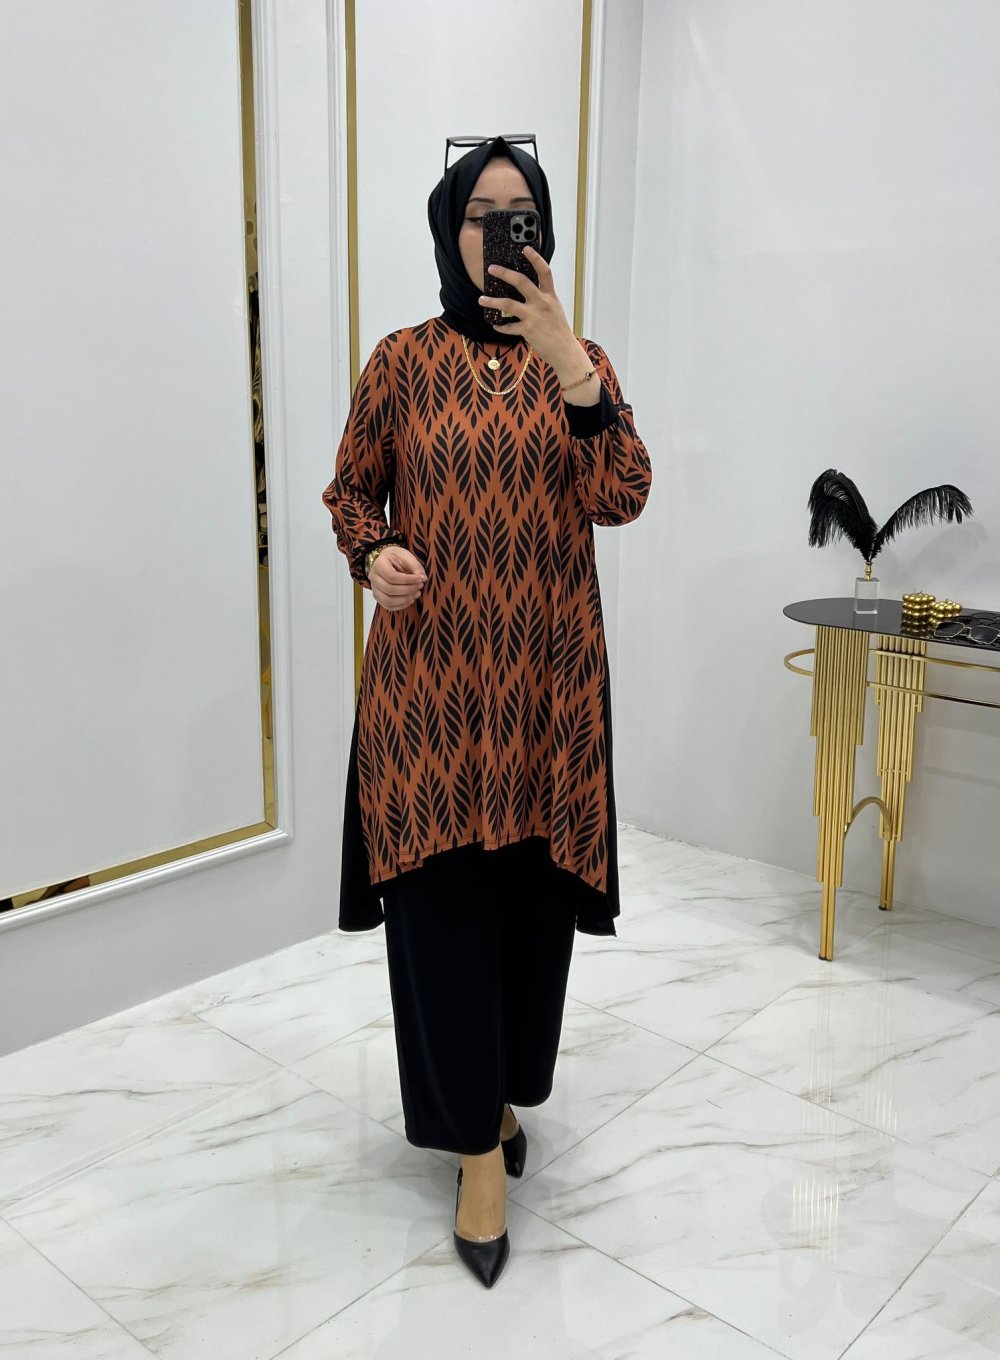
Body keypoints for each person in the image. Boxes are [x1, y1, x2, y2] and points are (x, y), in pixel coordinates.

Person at [322, 135, 652, 1288]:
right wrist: (374, 555)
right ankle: (475, 1153)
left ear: (543, 232)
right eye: (479, 212)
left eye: (520, 214)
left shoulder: (582, 362)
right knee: (446, 918)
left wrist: (571, 368)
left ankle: (502, 1098)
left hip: (545, 696)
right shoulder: (401, 361)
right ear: (448, 228)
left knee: (528, 917)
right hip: (429, 695)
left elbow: (622, 495)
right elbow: (351, 492)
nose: (498, 232)